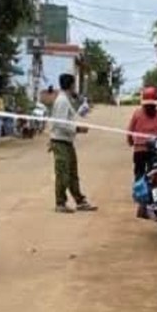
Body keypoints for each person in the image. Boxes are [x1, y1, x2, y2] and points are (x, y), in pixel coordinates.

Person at [49, 73, 97, 213]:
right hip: (60, 141)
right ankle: (60, 203)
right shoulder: (62, 101)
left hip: (66, 141)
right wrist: (77, 128)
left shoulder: (66, 99)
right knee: (63, 172)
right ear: (71, 85)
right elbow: (60, 123)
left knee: (72, 172)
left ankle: (80, 200)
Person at [127, 86, 157, 181]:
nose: (150, 107)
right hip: (155, 151)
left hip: (141, 150)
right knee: (153, 173)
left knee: (140, 174)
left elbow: (129, 131)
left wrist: (130, 142)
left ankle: (140, 191)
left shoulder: (137, 114)